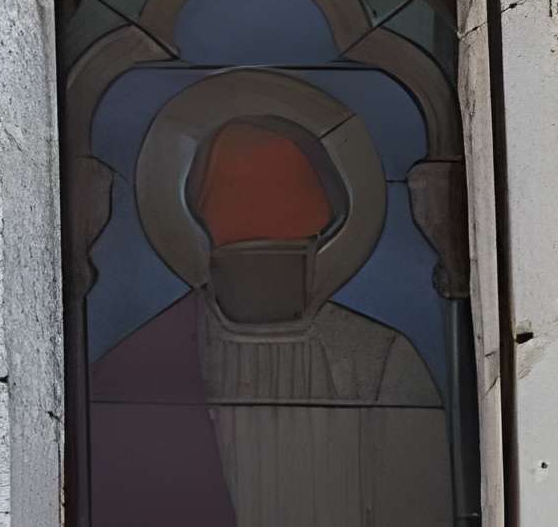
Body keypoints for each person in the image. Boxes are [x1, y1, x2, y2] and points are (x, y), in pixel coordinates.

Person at [90, 115, 450, 527]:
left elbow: (420, 504)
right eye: (242, 213)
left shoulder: (376, 361)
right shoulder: (135, 368)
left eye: (287, 224)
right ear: (205, 229)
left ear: (321, 232)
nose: (265, 243)